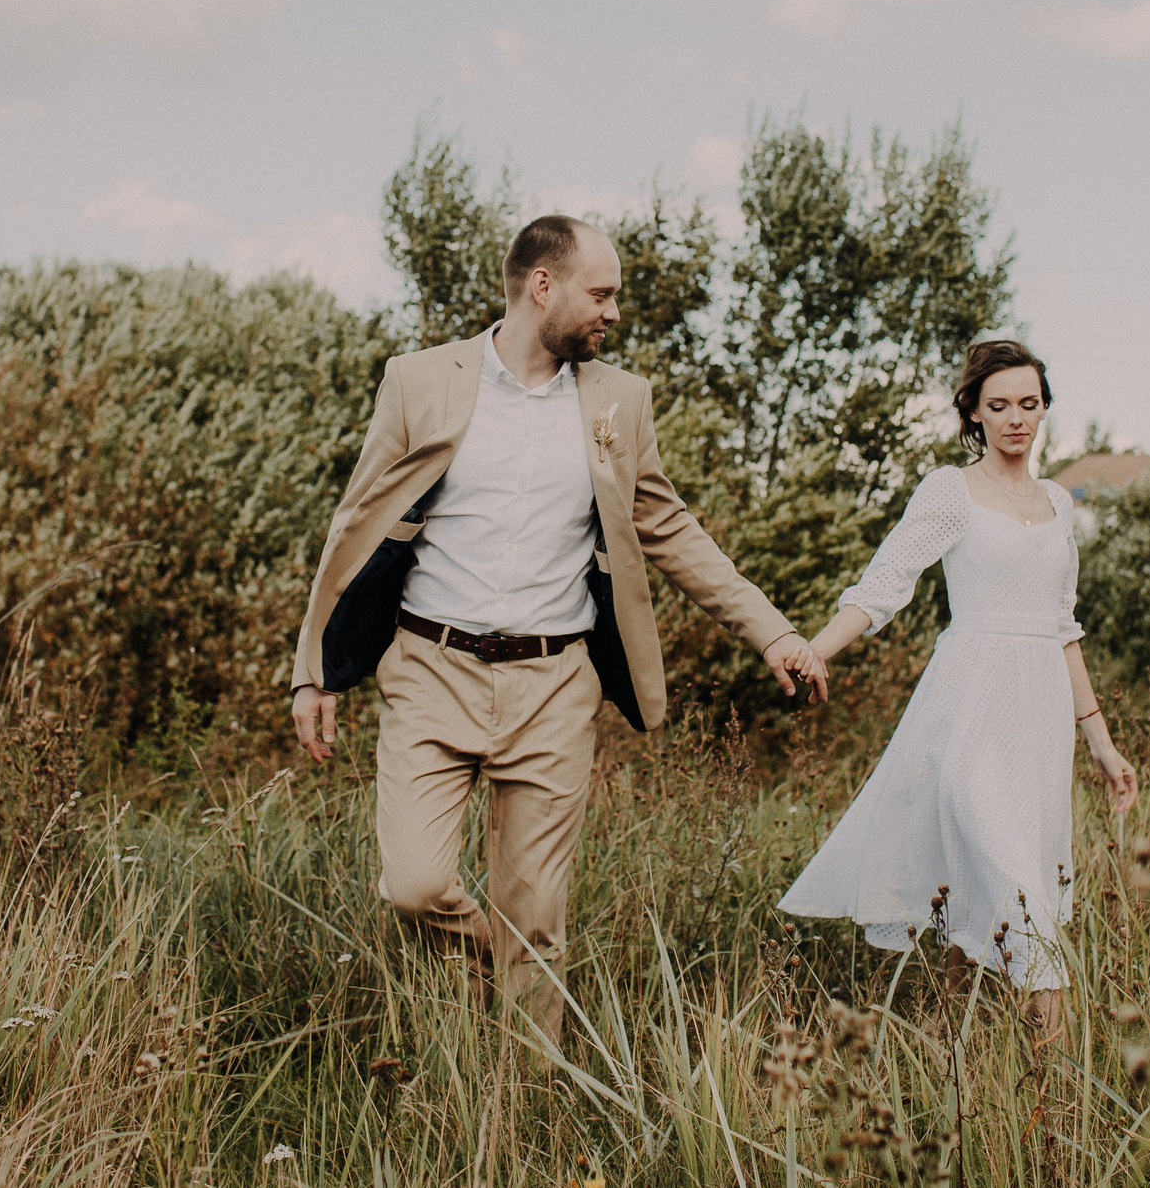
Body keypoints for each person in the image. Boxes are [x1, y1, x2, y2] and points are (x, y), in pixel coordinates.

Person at [291, 214, 827, 1037]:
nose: (613, 312)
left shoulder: (619, 400)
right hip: (432, 672)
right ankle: (480, 979)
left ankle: (524, 1099)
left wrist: (772, 630)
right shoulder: (419, 379)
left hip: (554, 685)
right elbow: (354, 523)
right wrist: (314, 668)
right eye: (602, 293)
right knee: (414, 883)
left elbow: (670, 527)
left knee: (536, 919)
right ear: (543, 286)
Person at [779, 337, 1137, 1037]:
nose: (1016, 418)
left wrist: (1099, 738)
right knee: (1016, 887)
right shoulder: (951, 489)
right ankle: (1057, 1085)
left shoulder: (1061, 504)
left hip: (1037, 719)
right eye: (998, 404)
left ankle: (991, 1082)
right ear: (972, 410)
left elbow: (1063, 623)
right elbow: (886, 584)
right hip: (968, 709)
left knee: (992, 894)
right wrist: (812, 649)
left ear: (1043, 410)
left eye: (1029, 404)